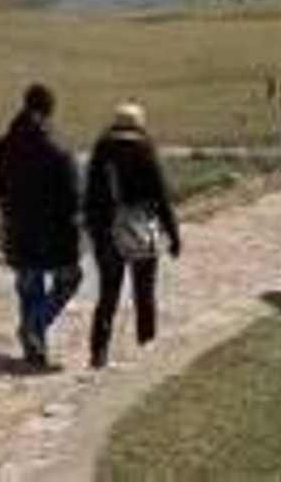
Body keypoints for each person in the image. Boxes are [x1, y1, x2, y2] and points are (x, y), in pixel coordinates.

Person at [0, 83, 82, 367]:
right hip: (54, 233)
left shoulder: (2, 146)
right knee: (69, 280)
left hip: (18, 230)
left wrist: (11, 205)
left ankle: (34, 351)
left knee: (29, 290)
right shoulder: (58, 150)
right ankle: (33, 328)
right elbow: (73, 198)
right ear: (49, 111)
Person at [83, 102, 181, 370]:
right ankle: (146, 343)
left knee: (108, 294)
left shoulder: (101, 149)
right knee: (144, 291)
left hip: (107, 231)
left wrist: (94, 230)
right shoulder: (145, 149)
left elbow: (90, 195)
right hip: (140, 228)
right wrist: (173, 235)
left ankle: (99, 351)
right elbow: (162, 197)